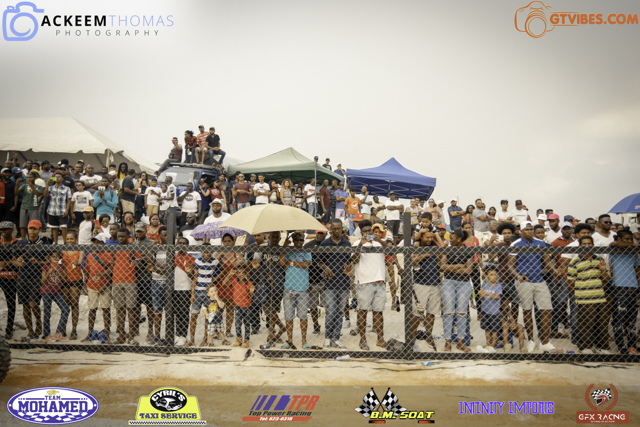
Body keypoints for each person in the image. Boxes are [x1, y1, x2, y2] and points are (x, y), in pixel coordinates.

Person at [508, 221, 558, 353]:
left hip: (540, 280)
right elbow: (510, 265)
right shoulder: (515, 244)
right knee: (527, 310)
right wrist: (518, 276)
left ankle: (545, 342)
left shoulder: (540, 243)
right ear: (521, 231)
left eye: (531, 229)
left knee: (547, 309)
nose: (529, 231)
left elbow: (547, 262)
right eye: (526, 229)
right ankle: (531, 340)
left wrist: (555, 271)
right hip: (524, 281)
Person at [566, 235, 610, 354]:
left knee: (602, 323)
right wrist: (579, 294)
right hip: (584, 298)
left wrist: (602, 270)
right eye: (584, 244)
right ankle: (585, 347)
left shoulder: (599, 259)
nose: (587, 246)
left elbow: (606, 279)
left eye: (589, 243)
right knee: (586, 323)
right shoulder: (575, 261)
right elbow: (570, 281)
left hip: (600, 297)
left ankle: (602, 347)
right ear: (580, 246)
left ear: (593, 245)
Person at [349, 220, 386, 351]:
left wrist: (380, 241)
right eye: (364, 231)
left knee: (378, 312)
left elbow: (390, 253)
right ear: (361, 232)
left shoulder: (379, 243)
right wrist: (361, 245)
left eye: (369, 231)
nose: (367, 233)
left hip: (379, 281)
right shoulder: (357, 243)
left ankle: (380, 338)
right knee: (362, 311)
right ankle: (363, 339)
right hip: (364, 282)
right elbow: (354, 260)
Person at [438, 228, 474, 353]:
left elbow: (468, 270)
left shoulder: (468, 250)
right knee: (448, 312)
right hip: (448, 282)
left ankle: (460, 342)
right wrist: (459, 266)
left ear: (459, 239)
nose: (450, 240)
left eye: (452, 238)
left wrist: (451, 268)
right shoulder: (447, 249)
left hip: (464, 284)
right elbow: (442, 267)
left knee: (462, 313)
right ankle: (447, 342)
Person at [609, 230, 640, 354]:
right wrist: (636, 244)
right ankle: (621, 346)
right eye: (626, 239)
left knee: (632, 320)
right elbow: (614, 244)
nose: (629, 241)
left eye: (630, 239)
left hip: (633, 287)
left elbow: (637, 269)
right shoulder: (614, 249)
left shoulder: (633, 252)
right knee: (619, 319)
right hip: (620, 288)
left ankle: (632, 345)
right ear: (619, 239)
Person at [281, 232, 312, 349]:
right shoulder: (288, 251)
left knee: (303, 316)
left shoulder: (306, 251)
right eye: (297, 240)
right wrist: (285, 245)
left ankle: (304, 341)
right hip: (289, 288)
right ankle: (289, 340)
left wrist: (292, 263)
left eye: (301, 240)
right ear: (293, 240)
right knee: (289, 317)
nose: (299, 242)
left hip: (303, 288)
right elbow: (282, 263)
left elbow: (306, 264)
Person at [411, 230, 441, 352]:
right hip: (420, 284)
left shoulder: (435, 247)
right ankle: (412, 337)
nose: (429, 239)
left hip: (435, 283)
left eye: (431, 237)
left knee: (431, 312)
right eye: (427, 237)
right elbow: (411, 262)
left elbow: (440, 261)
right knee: (416, 312)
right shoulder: (416, 247)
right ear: (421, 237)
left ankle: (429, 336)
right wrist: (424, 255)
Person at [187, 245, 221, 347]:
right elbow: (195, 277)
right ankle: (191, 340)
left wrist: (214, 279)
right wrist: (192, 294)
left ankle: (205, 339)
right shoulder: (198, 261)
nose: (206, 254)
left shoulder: (215, 262)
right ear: (201, 252)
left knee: (208, 316)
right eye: (204, 252)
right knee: (193, 315)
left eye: (208, 252)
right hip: (198, 291)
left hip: (208, 293)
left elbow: (222, 269)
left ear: (211, 252)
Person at [82, 234, 114, 343]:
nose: (95, 244)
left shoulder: (108, 255)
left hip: (105, 286)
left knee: (106, 309)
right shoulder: (90, 256)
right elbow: (87, 271)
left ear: (103, 243)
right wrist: (84, 285)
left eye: (98, 242)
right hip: (92, 285)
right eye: (94, 242)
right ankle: (89, 332)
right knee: (92, 309)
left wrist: (104, 286)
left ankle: (107, 333)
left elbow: (111, 272)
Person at [112, 227, 141, 345]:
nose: (121, 238)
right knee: (120, 309)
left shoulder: (133, 248)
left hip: (130, 281)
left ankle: (131, 336)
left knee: (131, 309)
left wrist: (136, 262)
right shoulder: (114, 248)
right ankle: (121, 335)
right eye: (119, 236)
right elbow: (111, 263)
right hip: (116, 281)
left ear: (128, 236)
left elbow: (139, 262)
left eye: (123, 236)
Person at [215, 234, 243, 338]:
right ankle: (217, 331)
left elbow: (243, 262)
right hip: (221, 283)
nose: (227, 243)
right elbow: (213, 262)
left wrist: (238, 262)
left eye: (229, 241)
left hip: (233, 283)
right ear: (222, 242)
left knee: (231, 307)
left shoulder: (237, 252)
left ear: (233, 241)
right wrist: (219, 256)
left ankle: (228, 330)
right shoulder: (219, 252)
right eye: (225, 241)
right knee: (219, 307)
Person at [40, 251, 70, 342]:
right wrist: (49, 273)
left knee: (66, 310)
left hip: (57, 292)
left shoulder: (62, 266)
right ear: (50, 258)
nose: (55, 258)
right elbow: (42, 282)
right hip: (46, 292)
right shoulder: (46, 267)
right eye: (53, 256)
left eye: (57, 257)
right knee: (47, 312)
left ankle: (57, 332)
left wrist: (58, 271)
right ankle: (46, 335)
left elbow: (64, 279)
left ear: (60, 258)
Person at [173, 237, 195, 346]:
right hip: (174, 287)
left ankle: (183, 336)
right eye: (180, 243)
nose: (182, 245)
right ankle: (178, 334)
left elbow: (192, 276)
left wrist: (189, 271)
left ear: (187, 246)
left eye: (184, 243)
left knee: (184, 312)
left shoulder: (190, 258)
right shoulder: (173, 256)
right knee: (177, 312)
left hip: (185, 287)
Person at [61, 232, 83, 340]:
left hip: (76, 279)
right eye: (68, 239)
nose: (69, 241)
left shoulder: (80, 249)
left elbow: (81, 260)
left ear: (76, 239)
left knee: (74, 304)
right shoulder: (62, 250)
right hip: (64, 280)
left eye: (72, 239)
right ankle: (63, 329)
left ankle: (74, 330)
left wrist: (78, 263)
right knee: (65, 306)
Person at [148, 226, 167, 345]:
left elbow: (170, 266)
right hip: (156, 281)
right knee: (157, 311)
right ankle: (157, 337)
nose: (166, 237)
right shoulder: (156, 248)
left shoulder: (173, 248)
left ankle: (168, 337)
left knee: (168, 311)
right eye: (164, 235)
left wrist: (155, 266)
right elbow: (149, 260)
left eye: (168, 235)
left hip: (169, 282)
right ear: (159, 236)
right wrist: (152, 247)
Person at [0, 221, 19, 339]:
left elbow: (17, 261)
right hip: (1, 276)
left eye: (5, 229)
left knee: (11, 302)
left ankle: (9, 328)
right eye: (1, 229)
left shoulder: (17, 243)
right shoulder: (0, 242)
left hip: (12, 277)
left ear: (12, 230)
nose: (2, 231)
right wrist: (11, 262)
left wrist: (6, 263)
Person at [478, 266, 502, 352]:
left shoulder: (498, 286)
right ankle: (488, 345)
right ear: (486, 276)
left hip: (494, 312)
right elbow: (482, 298)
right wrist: (481, 295)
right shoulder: (484, 285)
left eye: (495, 274)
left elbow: (496, 297)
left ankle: (493, 347)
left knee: (494, 330)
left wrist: (486, 293)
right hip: (485, 311)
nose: (494, 276)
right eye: (491, 274)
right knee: (487, 329)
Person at [44, 171, 72, 244]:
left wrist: (67, 210)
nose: (57, 178)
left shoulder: (67, 188)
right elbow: (45, 195)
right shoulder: (51, 187)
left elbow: (68, 200)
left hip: (62, 210)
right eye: (56, 177)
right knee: (54, 227)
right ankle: (56, 243)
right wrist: (48, 184)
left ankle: (65, 242)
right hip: (52, 210)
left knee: (64, 227)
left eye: (59, 177)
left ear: (62, 179)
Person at [17, 172, 43, 239]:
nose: (28, 179)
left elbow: (38, 194)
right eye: (27, 177)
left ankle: (33, 239)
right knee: (23, 226)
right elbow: (16, 192)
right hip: (24, 207)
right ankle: (23, 240)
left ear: (35, 178)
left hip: (34, 208)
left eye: (30, 177)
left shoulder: (39, 187)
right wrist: (17, 184)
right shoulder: (24, 186)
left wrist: (32, 186)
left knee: (34, 225)